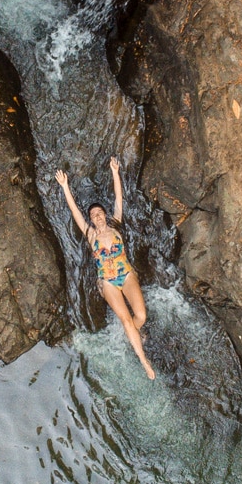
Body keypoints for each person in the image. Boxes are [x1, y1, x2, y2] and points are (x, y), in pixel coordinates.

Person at [56, 157, 153, 378]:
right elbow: (75, 212)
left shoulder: (116, 225)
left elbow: (119, 199)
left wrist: (115, 172)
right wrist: (65, 187)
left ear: (105, 215)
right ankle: (144, 361)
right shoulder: (90, 234)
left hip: (126, 275)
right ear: (91, 220)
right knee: (126, 319)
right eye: (93, 215)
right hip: (107, 282)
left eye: (99, 213)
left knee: (140, 316)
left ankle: (132, 333)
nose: (97, 216)